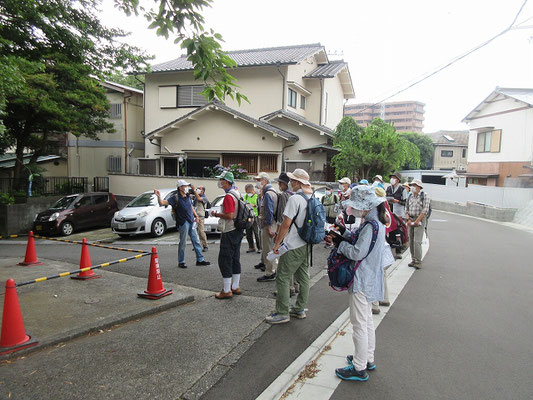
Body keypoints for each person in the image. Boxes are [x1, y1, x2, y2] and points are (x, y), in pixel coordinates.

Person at [327, 186, 389, 382]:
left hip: (361, 280)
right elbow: (362, 245)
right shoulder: (377, 222)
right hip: (371, 277)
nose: (355, 210)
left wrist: (339, 244)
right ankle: (367, 358)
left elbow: (357, 253)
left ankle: (359, 367)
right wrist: (344, 233)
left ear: (366, 206)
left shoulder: (371, 225)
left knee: (359, 324)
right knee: (367, 321)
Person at [266, 169, 313, 324]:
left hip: (293, 244)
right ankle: (299, 308)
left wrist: (277, 243)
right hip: (306, 243)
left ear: (298, 182)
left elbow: (286, 224)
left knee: (283, 276)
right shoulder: (311, 197)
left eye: (293, 180)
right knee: (303, 276)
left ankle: (282, 312)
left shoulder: (295, 199)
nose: (290, 183)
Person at [154, 181, 210, 268]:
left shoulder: (187, 196)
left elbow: (190, 207)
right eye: (184, 186)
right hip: (183, 222)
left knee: (196, 240)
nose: (186, 187)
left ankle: (200, 259)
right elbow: (162, 203)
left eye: (186, 186)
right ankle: (181, 261)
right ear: (180, 187)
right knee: (183, 242)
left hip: (191, 221)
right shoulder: (175, 197)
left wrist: (196, 216)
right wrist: (158, 196)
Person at [211, 171, 245, 299]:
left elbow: (230, 216)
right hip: (238, 230)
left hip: (229, 230)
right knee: (235, 258)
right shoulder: (237, 193)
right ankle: (235, 286)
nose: (219, 182)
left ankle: (226, 290)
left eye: (221, 180)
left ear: (226, 181)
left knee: (225, 259)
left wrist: (216, 214)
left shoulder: (228, 197)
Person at [255, 172, 279, 282]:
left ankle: (270, 273)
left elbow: (269, 211)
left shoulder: (268, 193)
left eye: (259, 180)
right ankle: (274, 270)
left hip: (268, 225)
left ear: (265, 180)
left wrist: (269, 226)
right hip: (272, 224)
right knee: (271, 249)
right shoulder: (272, 192)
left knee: (267, 250)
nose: (257, 183)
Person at [405, 179, 430, 269]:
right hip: (410, 218)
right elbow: (406, 208)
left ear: (419, 187)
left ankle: (418, 261)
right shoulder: (410, 196)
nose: (412, 187)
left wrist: (417, 221)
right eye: (412, 185)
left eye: (414, 185)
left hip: (420, 219)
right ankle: (413, 259)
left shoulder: (424, 196)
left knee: (417, 241)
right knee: (411, 240)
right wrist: (408, 219)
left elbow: (425, 210)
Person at [243, 184, 261, 254]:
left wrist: (254, 205)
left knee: (256, 233)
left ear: (252, 190)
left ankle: (259, 247)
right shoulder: (246, 196)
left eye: (248, 191)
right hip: (248, 217)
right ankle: (251, 247)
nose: (247, 193)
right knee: (248, 232)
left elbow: (259, 206)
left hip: (255, 216)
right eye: (246, 191)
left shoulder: (257, 197)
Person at [192, 185, 209, 251]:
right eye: (197, 189)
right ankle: (197, 245)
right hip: (195, 216)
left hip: (200, 216)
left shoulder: (204, 197)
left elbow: (199, 199)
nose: (198, 190)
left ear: (203, 191)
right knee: (195, 232)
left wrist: (194, 190)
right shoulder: (196, 197)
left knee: (201, 231)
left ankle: (205, 245)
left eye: (199, 189)